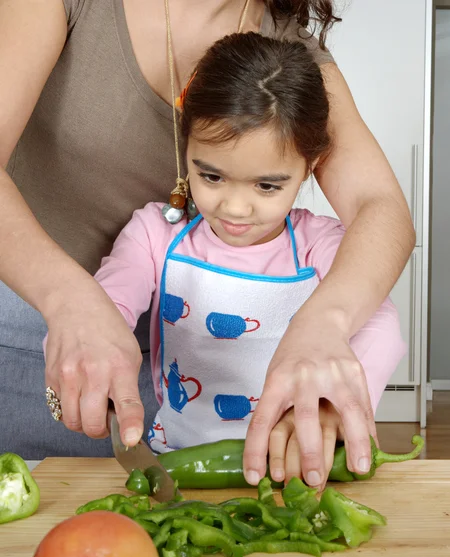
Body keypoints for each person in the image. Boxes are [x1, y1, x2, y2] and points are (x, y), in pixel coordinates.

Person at [0, 1, 414, 490]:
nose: (237, 207)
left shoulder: (287, 57)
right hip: (38, 331)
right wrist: (70, 302)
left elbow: (381, 208)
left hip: (179, 380)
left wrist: (327, 326)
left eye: (265, 186)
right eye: (212, 175)